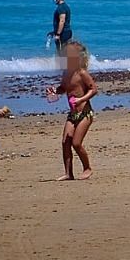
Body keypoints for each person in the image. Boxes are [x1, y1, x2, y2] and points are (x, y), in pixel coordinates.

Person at [48, 41, 97, 181]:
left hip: (85, 114)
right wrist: (55, 91)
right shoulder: (66, 73)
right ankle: (68, 173)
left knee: (76, 143)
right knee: (65, 143)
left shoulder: (82, 73)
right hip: (72, 114)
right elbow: (64, 88)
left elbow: (93, 89)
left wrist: (81, 99)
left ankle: (87, 168)